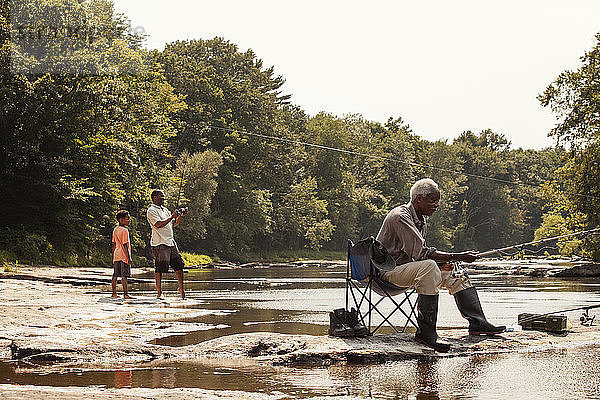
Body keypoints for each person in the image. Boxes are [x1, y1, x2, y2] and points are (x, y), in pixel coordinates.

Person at [376, 178, 505, 352]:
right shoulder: (401, 216)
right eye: (432, 200)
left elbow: (417, 255)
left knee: (454, 271)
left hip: (406, 268)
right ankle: (426, 333)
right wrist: (458, 256)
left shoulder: (420, 218)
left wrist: (450, 262)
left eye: (437, 200)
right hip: (387, 273)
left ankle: (478, 323)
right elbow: (421, 254)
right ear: (418, 199)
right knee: (430, 266)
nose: (436, 205)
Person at [146, 190, 188, 299]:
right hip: (159, 242)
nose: (163, 198)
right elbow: (158, 225)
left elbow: (173, 224)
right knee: (160, 267)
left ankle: (181, 289)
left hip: (170, 242)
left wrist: (181, 216)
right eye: (161, 196)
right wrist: (171, 217)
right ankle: (159, 293)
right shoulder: (151, 210)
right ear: (155, 197)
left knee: (179, 266)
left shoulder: (165, 210)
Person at [111, 210, 134, 299]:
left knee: (115, 274)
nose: (129, 221)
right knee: (124, 275)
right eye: (127, 219)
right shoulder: (125, 231)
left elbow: (114, 244)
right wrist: (129, 258)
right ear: (121, 220)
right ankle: (126, 294)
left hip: (117, 254)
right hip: (123, 256)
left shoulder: (115, 230)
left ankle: (114, 293)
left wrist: (114, 255)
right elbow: (125, 245)